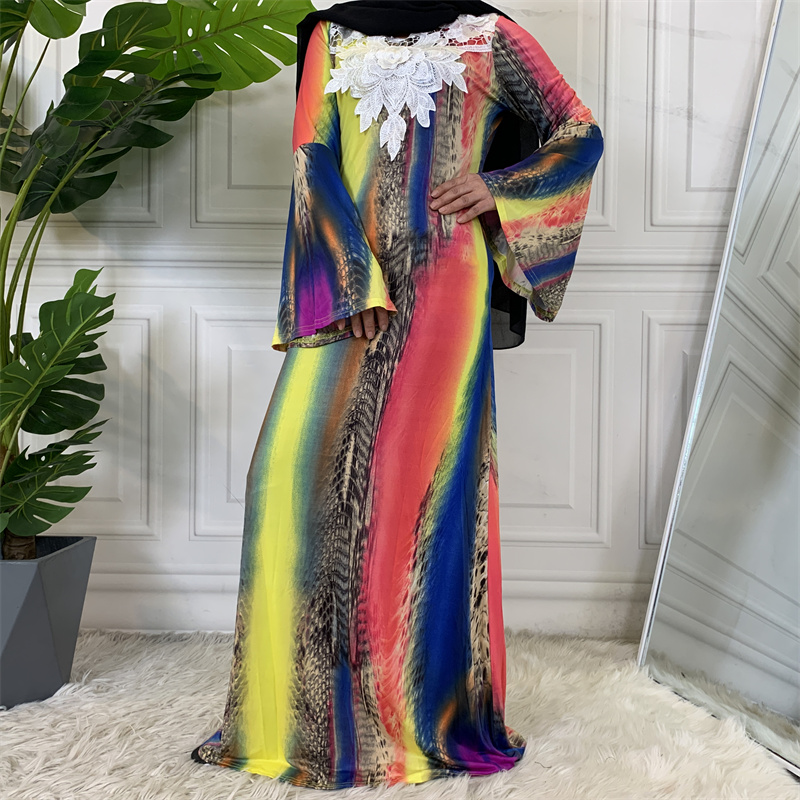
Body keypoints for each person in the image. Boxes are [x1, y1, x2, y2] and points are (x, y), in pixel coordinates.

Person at [190, 0, 604, 789]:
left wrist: (499, 188)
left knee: (419, 499)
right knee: (286, 476)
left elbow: (578, 131)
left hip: (448, 284)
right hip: (353, 287)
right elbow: (312, 155)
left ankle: (416, 710)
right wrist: (350, 280)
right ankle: (302, 715)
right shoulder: (330, 34)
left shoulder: (488, 34)